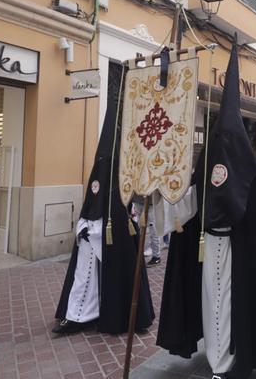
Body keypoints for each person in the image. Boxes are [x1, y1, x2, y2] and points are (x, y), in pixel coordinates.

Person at [156, 43, 256, 379]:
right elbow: (189, 203)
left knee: (230, 306)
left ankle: (225, 362)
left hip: (238, 253)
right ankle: (216, 359)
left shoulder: (254, 174)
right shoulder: (206, 166)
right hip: (207, 247)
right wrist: (160, 203)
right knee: (211, 303)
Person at [53, 61, 154, 335]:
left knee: (119, 269)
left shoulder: (123, 169)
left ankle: (125, 315)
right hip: (97, 223)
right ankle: (79, 314)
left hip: (118, 225)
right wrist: (88, 223)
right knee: (86, 268)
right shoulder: (103, 165)